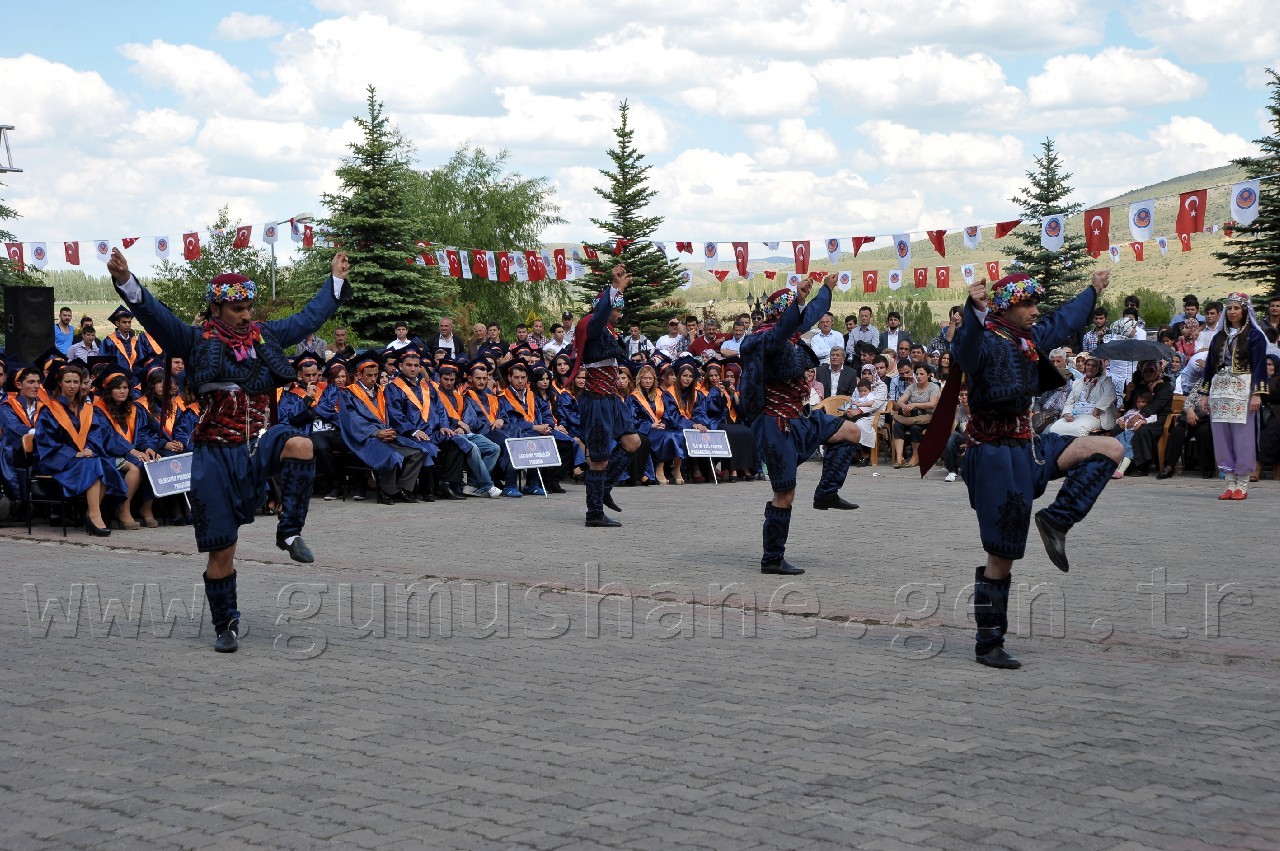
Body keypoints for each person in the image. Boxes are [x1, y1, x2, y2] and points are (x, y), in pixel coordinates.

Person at [107, 248, 348, 653]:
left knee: (302, 444)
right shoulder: (193, 339)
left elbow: (309, 318)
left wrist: (335, 281)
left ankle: (289, 532)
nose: (245, 314)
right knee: (222, 550)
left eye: (248, 306)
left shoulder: (266, 335)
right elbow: (154, 314)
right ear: (217, 307)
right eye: (237, 308)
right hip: (215, 451)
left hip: (258, 442)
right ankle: (226, 624)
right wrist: (127, 280)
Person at [953, 270, 1122, 669]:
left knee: (1110, 448)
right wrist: (973, 311)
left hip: (1028, 445)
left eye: (1034, 303)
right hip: (993, 455)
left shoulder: (1027, 337)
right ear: (1006, 307)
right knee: (1002, 555)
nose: (1035, 310)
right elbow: (965, 350)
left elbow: (1064, 319)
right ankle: (988, 643)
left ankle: (1057, 520)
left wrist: (1093, 289)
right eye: (1027, 304)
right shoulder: (985, 339)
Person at [739, 274, 863, 576]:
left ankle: (826, 493)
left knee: (851, 431)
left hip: (801, 416)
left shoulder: (790, 334)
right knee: (785, 494)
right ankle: (772, 558)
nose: (801, 321)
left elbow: (805, 317)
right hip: (775, 424)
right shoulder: (764, 340)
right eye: (794, 311)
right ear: (782, 315)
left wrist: (826, 290)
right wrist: (798, 300)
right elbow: (785, 329)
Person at [35, 364, 151, 535]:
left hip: (86, 458)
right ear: (60, 383)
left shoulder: (86, 409)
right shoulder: (49, 411)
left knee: (102, 464)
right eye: (68, 381)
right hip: (59, 460)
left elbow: (96, 435)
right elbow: (47, 442)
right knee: (95, 466)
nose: (72, 385)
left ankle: (91, 513)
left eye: (76, 381)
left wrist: (89, 448)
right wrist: (75, 453)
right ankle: (95, 516)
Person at [569, 266, 642, 525]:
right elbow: (599, 315)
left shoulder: (609, 330)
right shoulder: (593, 327)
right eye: (617, 309)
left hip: (611, 399)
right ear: (606, 308)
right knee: (598, 459)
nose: (620, 315)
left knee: (633, 442)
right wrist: (616, 288)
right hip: (596, 401)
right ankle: (594, 513)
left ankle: (605, 488)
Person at [1197, 292, 1269, 499]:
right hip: (1219, 392)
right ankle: (1229, 483)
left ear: (1245, 310)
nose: (1232, 312)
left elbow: (1259, 366)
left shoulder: (1255, 336)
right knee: (1221, 437)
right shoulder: (1219, 337)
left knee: (1243, 437)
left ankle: (1243, 485)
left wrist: (1257, 394)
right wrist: (1204, 395)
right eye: (1229, 308)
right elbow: (1209, 367)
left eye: (1237, 308)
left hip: (1242, 391)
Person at [339, 349, 427, 504]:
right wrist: (377, 432)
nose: (374, 379)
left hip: (387, 434)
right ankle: (387, 492)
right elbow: (353, 420)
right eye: (369, 375)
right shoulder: (349, 394)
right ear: (359, 375)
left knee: (418, 452)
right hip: (365, 438)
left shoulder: (382, 391)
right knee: (391, 456)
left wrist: (391, 431)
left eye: (375, 375)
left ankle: (404, 489)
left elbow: (392, 414)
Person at [1047, 355, 1117, 437]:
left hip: (1095, 415)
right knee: (1054, 429)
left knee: (1080, 430)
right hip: (1076, 414)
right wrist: (1067, 413)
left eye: (1094, 366)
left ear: (1099, 368)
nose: (1090, 367)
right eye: (1088, 365)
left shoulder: (1105, 381)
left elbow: (1110, 395)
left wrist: (1098, 408)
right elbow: (1069, 402)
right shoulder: (1078, 382)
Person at [891, 365, 940, 468]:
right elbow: (900, 400)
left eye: (922, 374)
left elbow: (932, 404)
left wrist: (915, 405)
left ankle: (915, 456)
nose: (919, 376)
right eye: (917, 374)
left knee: (915, 428)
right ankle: (900, 457)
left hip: (926, 417)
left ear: (929, 375)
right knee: (897, 426)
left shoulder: (933, 387)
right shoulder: (912, 387)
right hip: (911, 417)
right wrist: (904, 407)